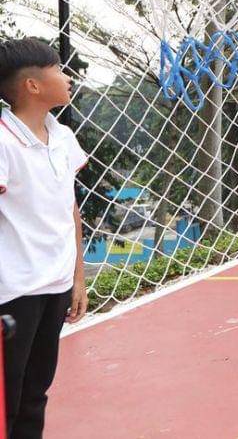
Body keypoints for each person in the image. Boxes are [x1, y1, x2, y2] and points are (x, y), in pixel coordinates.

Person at [0, 38, 88, 439]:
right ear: (32, 85)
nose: (67, 77)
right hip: (13, 291)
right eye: (57, 70)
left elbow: (70, 209)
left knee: (36, 393)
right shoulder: (4, 141)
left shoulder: (63, 136)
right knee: (7, 399)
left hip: (55, 286)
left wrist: (77, 278)